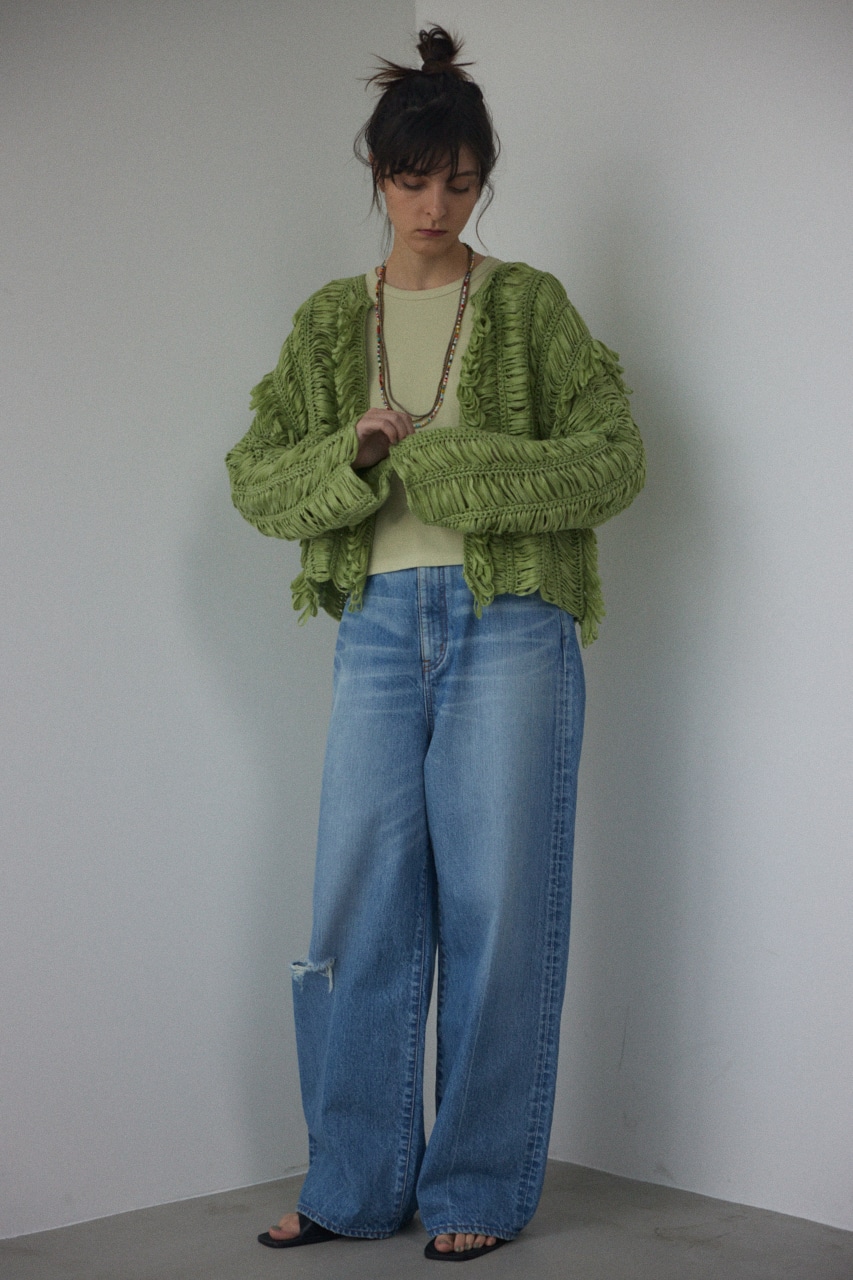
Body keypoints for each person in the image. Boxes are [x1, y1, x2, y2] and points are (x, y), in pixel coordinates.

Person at [226, 25, 645, 1263]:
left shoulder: (528, 305)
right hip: (375, 625)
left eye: (459, 183)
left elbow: (614, 457)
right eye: (413, 181)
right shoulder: (326, 324)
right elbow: (255, 479)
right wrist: (353, 455)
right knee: (356, 907)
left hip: (510, 620)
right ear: (377, 174)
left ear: (481, 181)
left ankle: (476, 1185)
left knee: (498, 904)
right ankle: (352, 1181)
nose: (435, 206)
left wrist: (456, 463)